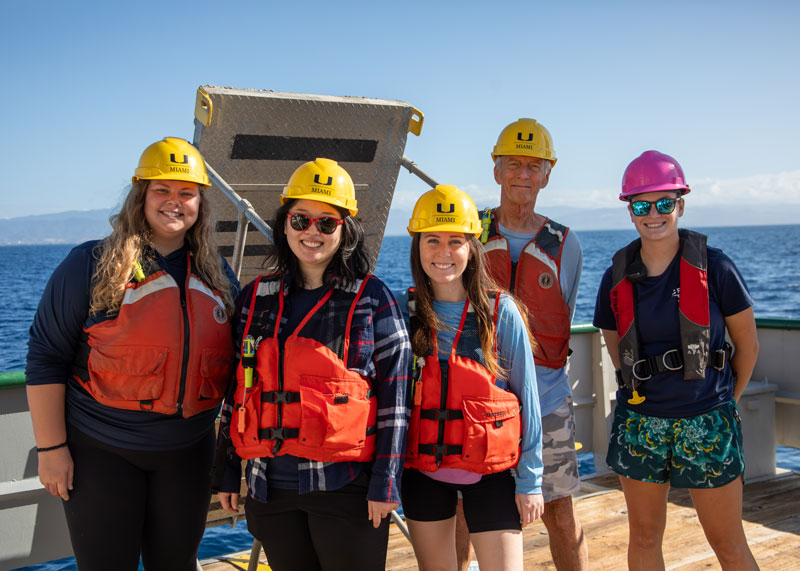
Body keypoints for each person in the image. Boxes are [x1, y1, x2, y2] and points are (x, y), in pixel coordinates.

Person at [25, 137, 239, 571]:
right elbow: (46, 355)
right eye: (162, 190)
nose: (173, 202)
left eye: (186, 193)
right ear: (141, 195)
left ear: (200, 202)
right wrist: (52, 449)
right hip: (102, 452)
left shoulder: (219, 277)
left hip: (187, 454)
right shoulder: (89, 264)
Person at [216, 158, 410, 571]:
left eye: (327, 223)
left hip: (347, 490)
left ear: (346, 230)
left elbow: (397, 400)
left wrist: (386, 482)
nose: (312, 233)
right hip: (270, 490)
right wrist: (228, 470)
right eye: (301, 219)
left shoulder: (373, 298)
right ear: (285, 223)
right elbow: (238, 392)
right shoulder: (255, 298)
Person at [593, 150, 760, 570]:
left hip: (707, 421)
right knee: (645, 537)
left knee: (728, 543)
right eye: (642, 205)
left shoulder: (716, 267)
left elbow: (748, 345)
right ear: (629, 211)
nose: (654, 214)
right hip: (641, 423)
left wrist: (722, 402)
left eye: (664, 203)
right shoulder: (615, 276)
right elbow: (615, 345)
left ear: (680, 205)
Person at [398, 184, 544, 571]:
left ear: (472, 247)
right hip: (423, 471)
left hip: (491, 471)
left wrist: (530, 482)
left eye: (455, 241)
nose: (443, 253)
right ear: (417, 246)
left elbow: (529, 401)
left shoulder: (502, 312)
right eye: (432, 240)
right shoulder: (401, 310)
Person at [477, 118, 587, 569]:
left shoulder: (567, 245)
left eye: (534, 165)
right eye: (514, 164)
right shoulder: (472, 233)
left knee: (559, 511)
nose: (524, 174)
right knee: (470, 509)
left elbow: (567, 313)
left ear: (548, 173)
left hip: (548, 401)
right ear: (497, 170)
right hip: (482, 401)